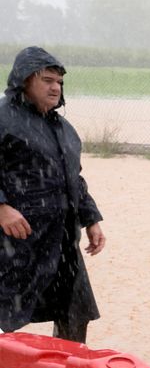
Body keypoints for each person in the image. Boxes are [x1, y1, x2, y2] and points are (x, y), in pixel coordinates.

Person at [1, 46, 104, 343]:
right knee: (6, 307)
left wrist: (91, 219)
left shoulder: (64, 129)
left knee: (74, 310)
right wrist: (2, 207)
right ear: (24, 80)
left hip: (61, 240)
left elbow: (74, 179)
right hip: (14, 243)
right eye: (47, 80)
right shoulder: (3, 120)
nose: (55, 87)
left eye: (59, 82)